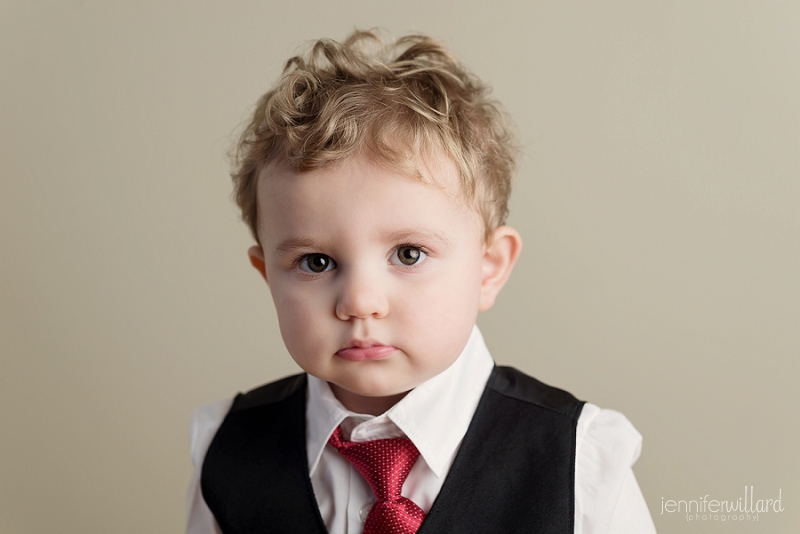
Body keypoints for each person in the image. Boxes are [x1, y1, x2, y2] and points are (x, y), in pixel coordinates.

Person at [185, 30, 656, 534]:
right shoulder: (227, 446)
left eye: (408, 254)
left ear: (489, 267)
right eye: (317, 263)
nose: (360, 302)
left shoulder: (582, 462)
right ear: (267, 277)